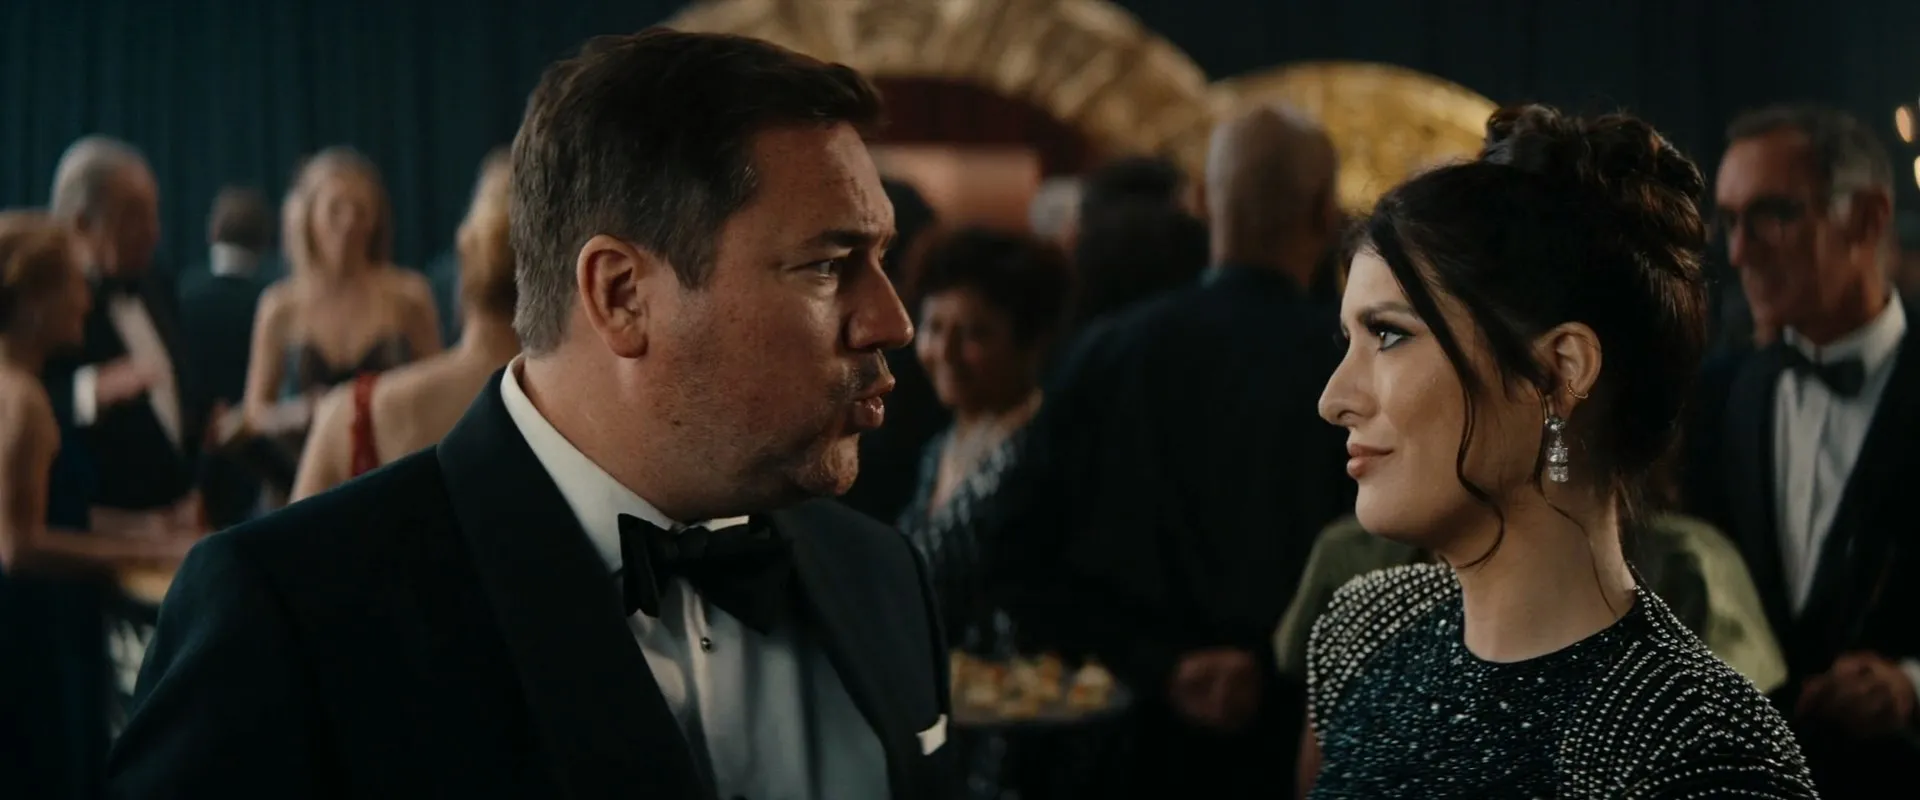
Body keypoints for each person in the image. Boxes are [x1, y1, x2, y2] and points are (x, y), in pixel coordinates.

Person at [108, 29, 950, 798]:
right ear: (621, 295)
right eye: (828, 265)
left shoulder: (884, 577)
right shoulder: (288, 613)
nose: (894, 322)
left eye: (880, 257)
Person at [1306, 104, 1813, 797]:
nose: (1334, 398)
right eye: (1349, 341)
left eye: (1389, 335)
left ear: (1559, 372)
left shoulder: (1700, 747)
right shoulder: (1366, 634)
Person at [986, 105, 1351, 796]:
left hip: (1124, 750)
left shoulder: (1104, 354)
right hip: (1294, 748)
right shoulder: (1352, 368)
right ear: (1326, 213)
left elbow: (1012, 551)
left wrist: (1159, 665)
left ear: (1201, 200)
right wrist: (1265, 665)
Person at [1694, 104, 1920, 796]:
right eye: (1731, 221)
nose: (1740, 253)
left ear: (1868, 217)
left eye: (1774, 215)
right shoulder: (1718, 396)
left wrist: (1913, 685)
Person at [0, 211, 194, 800]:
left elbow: (54, 510)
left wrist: (145, 528)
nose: (86, 300)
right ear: (35, 302)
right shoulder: (24, 400)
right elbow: (19, 545)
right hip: (36, 637)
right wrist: (143, 552)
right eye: (74, 284)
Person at [290, 150, 520, 500]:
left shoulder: (408, 295)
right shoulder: (280, 306)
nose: (349, 222)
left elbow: (442, 387)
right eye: (336, 209)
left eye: (360, 209)